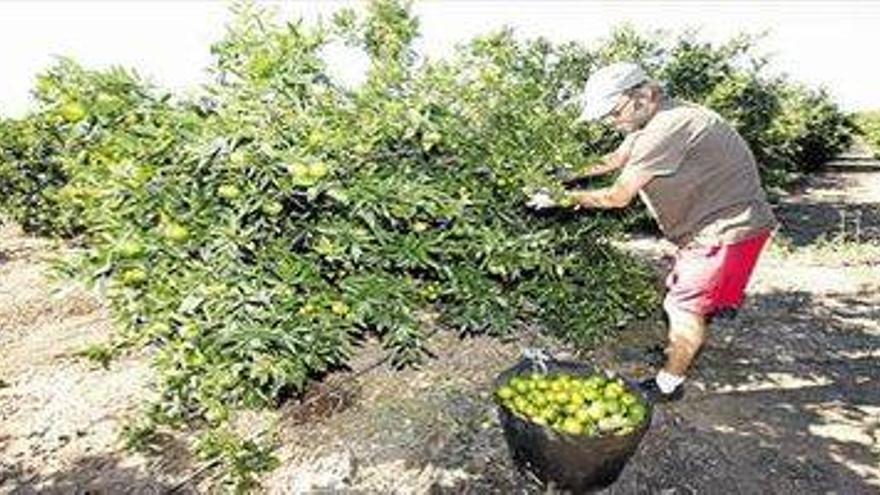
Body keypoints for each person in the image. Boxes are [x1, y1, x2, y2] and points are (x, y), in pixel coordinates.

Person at [527, 62, 777, 402]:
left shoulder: (666, 128)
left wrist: (556, 198)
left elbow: (618, 197)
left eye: (614, 112)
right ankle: (686, 341)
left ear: (642, 95)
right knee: (691, 299)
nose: (611, 122)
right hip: (726, 224)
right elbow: (615, 159)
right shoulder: (657, 117)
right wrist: (562, 174)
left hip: (724, 230)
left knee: (681, 307)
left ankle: (668, 385)